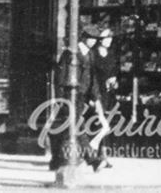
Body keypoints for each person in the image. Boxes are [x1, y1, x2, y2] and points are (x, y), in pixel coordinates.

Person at [48, 26, 98, 172]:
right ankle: (92, 159)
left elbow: (91, 77)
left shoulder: (89, 54)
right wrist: (59, 98)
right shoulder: (70, 54)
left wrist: (93, 96)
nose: (94, 41)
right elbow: (59, 77)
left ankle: (56, 161)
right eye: (91, 38)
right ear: (84, 38)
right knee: (76, 125)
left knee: (65, 128)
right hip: (69, 95)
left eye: (95, 39)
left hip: (81, 96)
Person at [91, 28, 118, 169]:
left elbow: (114, 70)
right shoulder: (94, 54)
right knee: (97, 123)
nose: (109, 41)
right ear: (101, 39)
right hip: (96, 92)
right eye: (107, 38)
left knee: (106, 124)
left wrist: (114, 79)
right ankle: (93, 155)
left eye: (111, 39)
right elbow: (92, 74)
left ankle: (103, 155)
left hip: (108, 93)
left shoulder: (111, 54)